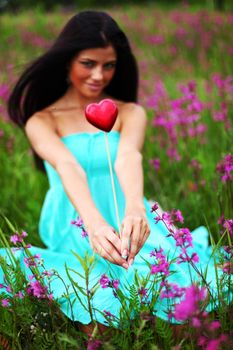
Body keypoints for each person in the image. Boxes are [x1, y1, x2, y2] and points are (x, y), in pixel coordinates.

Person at [3, 10, 219, 333]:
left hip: (130, 215)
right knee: (100, 309)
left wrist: (135, 209)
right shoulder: (42, 120)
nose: (99, 76)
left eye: (109, 65)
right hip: (77, 220)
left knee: (169, 293)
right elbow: (68, 166)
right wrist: (93, 225)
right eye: (88, 63)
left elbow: (128, 157)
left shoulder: (130, 112)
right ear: (67, 61)